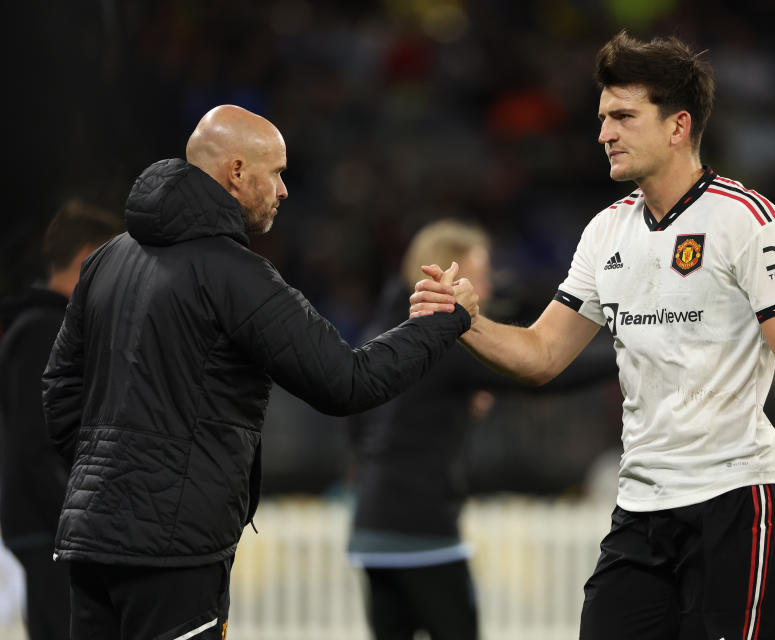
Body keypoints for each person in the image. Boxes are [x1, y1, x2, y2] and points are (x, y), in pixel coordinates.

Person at [412, 32, 775, 639]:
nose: (604, 133)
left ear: (678, 127)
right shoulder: (605, 231)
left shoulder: (751, 222)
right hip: (642, 510)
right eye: (601, 118)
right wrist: (467, 321)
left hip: (737, 500)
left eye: (622, 116)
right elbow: (541, 355)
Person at [40, 104, 478, 640]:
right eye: (277, 172)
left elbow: (59, 393)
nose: (285, 189)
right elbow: (346, 382)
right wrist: (443, 322)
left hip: (91, 542)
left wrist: (110, 479)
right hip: (176, 551)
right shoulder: (235, 273)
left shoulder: (107, 260)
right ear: (237, 172)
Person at [348, 219, 615, 640]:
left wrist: (445, 406)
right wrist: (625, 350)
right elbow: (542, 371)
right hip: (423, 527)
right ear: (447, 275)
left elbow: (359, 422)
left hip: (370, 529)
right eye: (482, 277)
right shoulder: (441, 336)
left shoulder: (382, 327)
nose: (488, 290)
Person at [0, 201, 123, 640]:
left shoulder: (45, 327)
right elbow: (36, 445)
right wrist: (81, 526)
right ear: (88, 258)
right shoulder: (42, 331)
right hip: (53, 530)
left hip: (53, 527)